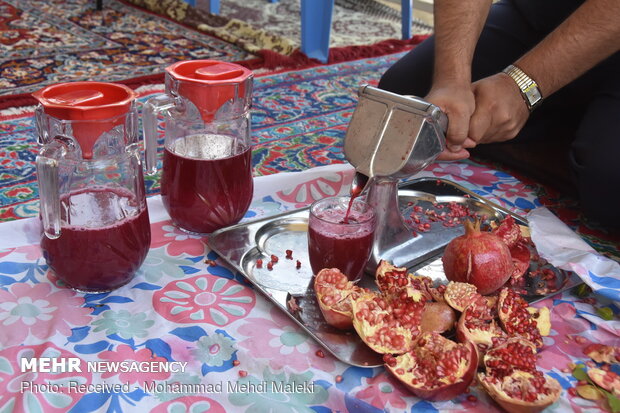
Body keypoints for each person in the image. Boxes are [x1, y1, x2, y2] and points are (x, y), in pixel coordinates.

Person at [379, 0, 620, 231]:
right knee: (406, 104)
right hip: (549, 12)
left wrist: (523, 85)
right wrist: (450, 79)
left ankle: (587, 145)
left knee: (607, 185)